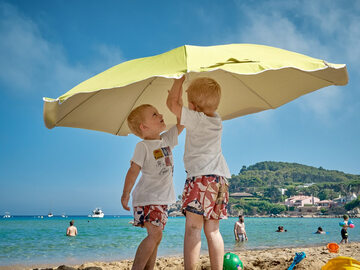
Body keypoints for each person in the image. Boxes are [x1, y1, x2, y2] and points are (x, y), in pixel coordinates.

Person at [167, 76, 231, 270]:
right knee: (213, 231)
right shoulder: (217, 120)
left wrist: (178, 80)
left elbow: (171, 104)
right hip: (220, 180)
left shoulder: (195, 119)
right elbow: (180, 108)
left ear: (193, 106)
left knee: (193, 228)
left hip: (200, 179)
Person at [121, 100, 183, 270]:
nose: (161, 115)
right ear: (144, 127)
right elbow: (133, 170)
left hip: (161, 199)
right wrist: (126, 193)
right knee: (155, 234)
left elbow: (182, 122)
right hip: (148, 197)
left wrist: (179, 99)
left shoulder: (166, 140)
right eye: (154, 115)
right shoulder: (143, 146)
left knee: (157, 236)